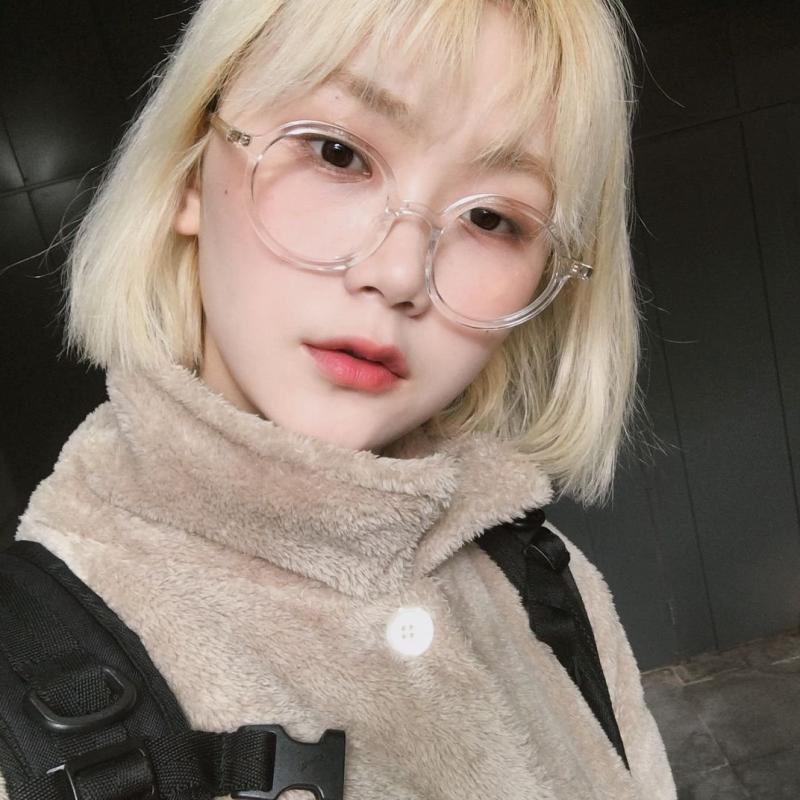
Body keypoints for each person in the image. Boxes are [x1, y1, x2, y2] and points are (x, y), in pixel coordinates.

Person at [5, 0, 677, 797]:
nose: (398, 273)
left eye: (492, 218)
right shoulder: (30, 696)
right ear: (191, 170)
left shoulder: (548, 576)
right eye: (338, 153)